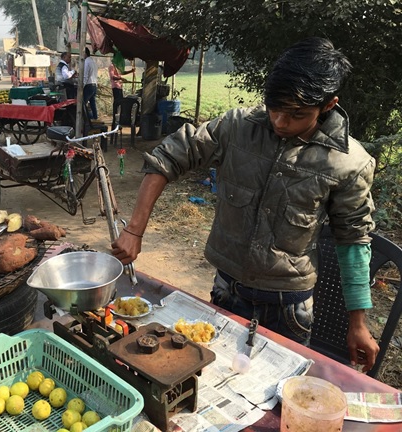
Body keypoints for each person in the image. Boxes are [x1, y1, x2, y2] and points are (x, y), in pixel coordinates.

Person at [111, 37, 380, 372]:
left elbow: (353, 242)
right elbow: (168, 158)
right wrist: (135, 230)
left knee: (275, 390)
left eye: (297, 114)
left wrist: (357, 324)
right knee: (210, 371)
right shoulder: (237, 128)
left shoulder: (349, 163)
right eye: (275, 108)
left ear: (328, 105)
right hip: (227, 291)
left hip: (288, 307)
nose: (281, 122)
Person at [108, 60, 135, 124]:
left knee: (121, 103)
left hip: (119, 86)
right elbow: (113, 77)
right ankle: (115, 119)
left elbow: (122, 72)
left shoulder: (117, 66)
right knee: (117, 102)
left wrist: (131, 71)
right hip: (115, 86)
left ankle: (119, 119)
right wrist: (121, 79)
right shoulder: (111, 66)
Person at [82, 47, 98, 120]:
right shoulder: (93, 61)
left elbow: (85, 76)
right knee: (92, 103)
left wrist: (82, 86)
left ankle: (86, 119)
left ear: (84, 54)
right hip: (94, 84)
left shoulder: (86, 62)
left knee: (82, 103)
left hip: (88, 85)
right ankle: (95, 118)